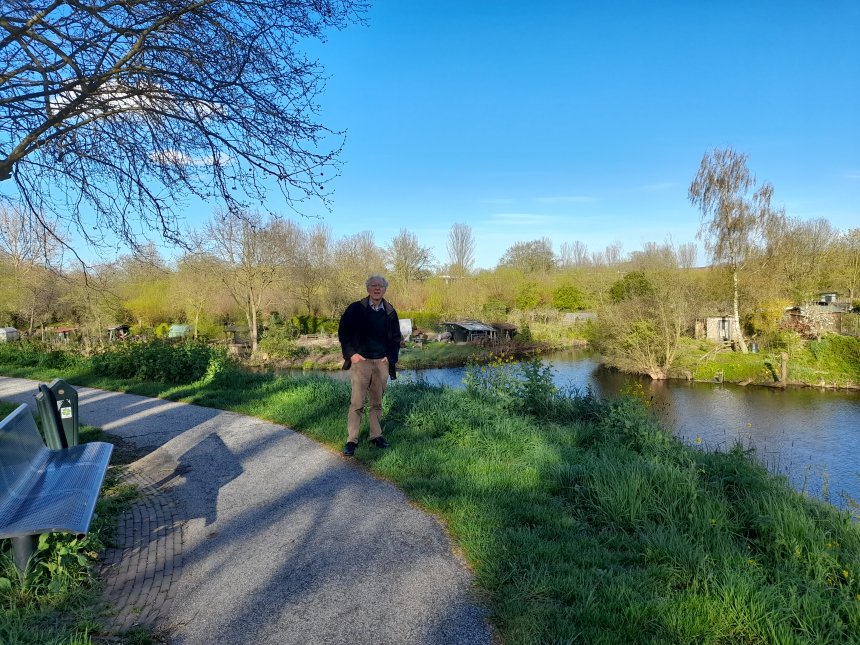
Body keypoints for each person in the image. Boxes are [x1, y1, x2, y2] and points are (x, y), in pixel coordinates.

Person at [338, 274, 402, 456]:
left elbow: (396, 338)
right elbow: (343, 332)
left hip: (381, 362)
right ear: (367, 289)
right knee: (357, 403)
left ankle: (376, 436)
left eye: (380, 286)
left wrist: (390, 357)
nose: (377, 288)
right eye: (373, 285)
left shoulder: (390, 311)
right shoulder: (355, 309)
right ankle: (352, 440)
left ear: (384, 289)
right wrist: (352, 354)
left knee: (377, 403)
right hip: (362, 362)